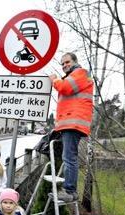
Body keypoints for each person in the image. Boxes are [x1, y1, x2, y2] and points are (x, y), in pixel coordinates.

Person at [49, 52, 94, 202]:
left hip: (73, 123)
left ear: (75, 61)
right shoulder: (74, 76)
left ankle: (69, 191)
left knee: (69, 158)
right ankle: (71, 192)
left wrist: (54, 80)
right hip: (70, 124)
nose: (64, 65)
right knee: (69, 157)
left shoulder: (80, 73)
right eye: (62, 64)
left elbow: (66, 88)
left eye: (67, 62)